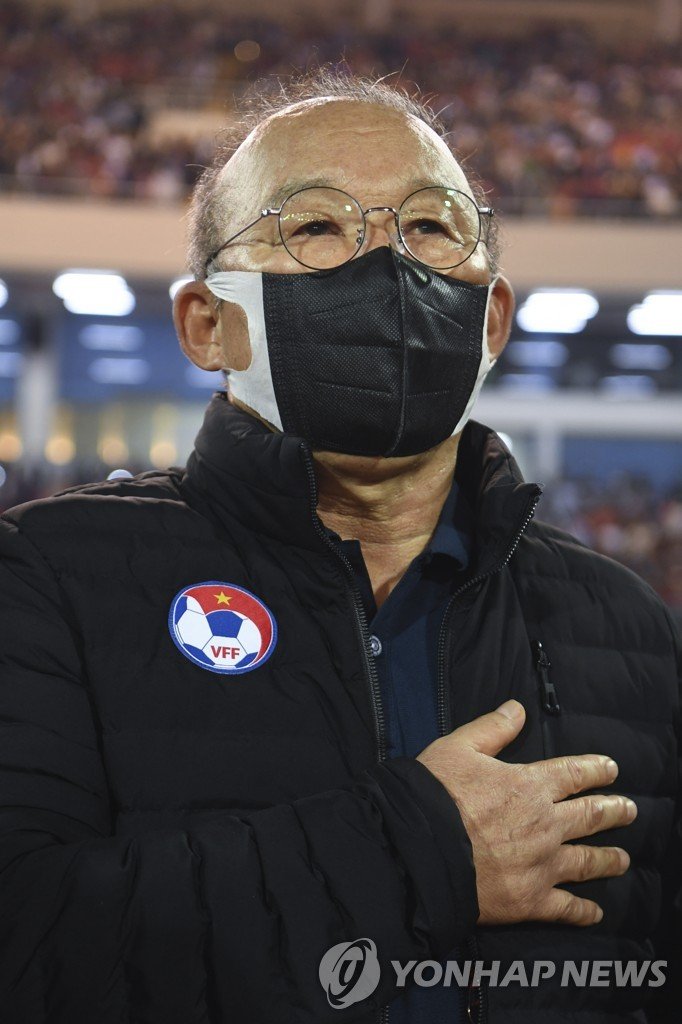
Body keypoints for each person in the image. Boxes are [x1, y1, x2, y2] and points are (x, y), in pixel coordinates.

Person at [0, 72, 679, 1024]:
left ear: (491, 319)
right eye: (317, 227)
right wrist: (421, 852)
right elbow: (28, 948)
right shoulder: (47, 580)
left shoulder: (630, 628)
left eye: (433, 228)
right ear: (206, 323)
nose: (388, 266)